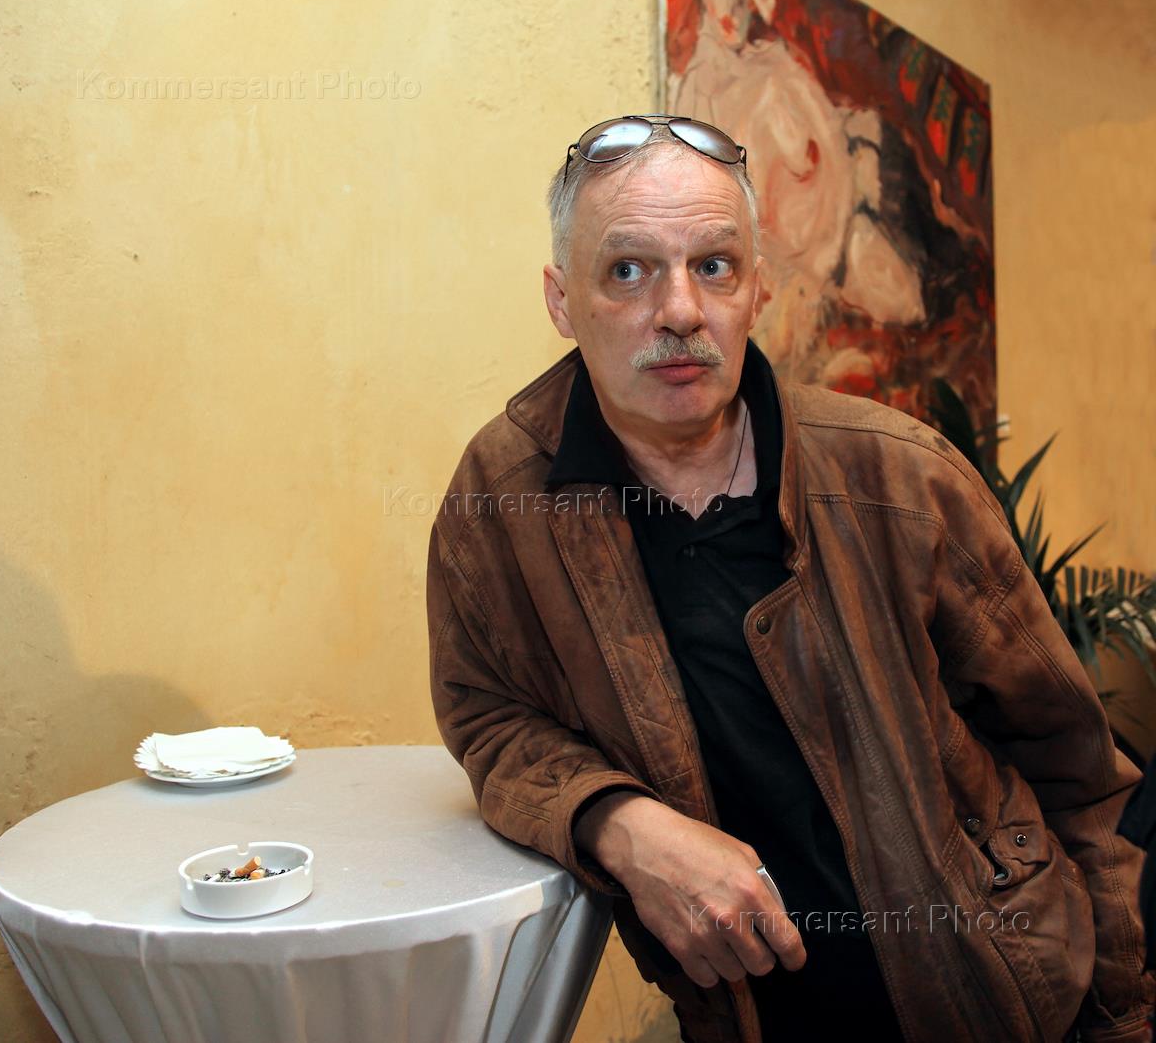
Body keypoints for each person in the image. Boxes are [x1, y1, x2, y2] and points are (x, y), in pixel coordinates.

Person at [426, 114, 1153, 1042]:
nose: (680, 310)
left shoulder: (901, 478)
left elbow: (1079, 774)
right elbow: (488, 713)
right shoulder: (502, 498)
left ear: (757, 290)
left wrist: (1122, 1018)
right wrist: (619, 822)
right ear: (562, 300)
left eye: (714, 266)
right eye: (628, 270)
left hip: (1004, 996)